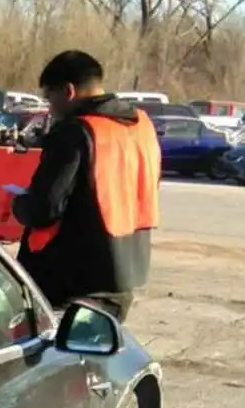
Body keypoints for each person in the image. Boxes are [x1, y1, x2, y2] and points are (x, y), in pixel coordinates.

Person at [9, 50, 161, 320]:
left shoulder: (75, 132)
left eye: (50, 99)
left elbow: (44, 209)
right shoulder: (141, 125)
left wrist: (19, 204)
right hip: (124, 273)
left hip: (69, 281)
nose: (50, 108)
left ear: (68, 91)